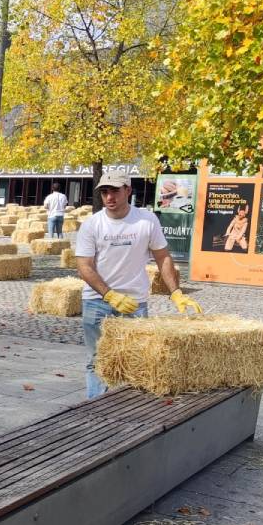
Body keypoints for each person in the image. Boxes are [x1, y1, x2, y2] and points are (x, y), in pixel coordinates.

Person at [76, 170, 202, 399]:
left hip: (135, 302)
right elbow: (85, 267)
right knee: (97, 360)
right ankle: (95, 409)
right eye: (104, 192)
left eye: (114, 191)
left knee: (137, 360)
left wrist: (176, 292)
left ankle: (130, 409)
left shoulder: (146, 220)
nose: (109, 197)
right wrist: (109, 295)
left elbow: (163, 257)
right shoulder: (92, 225)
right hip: (97, 301)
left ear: (128, 191)